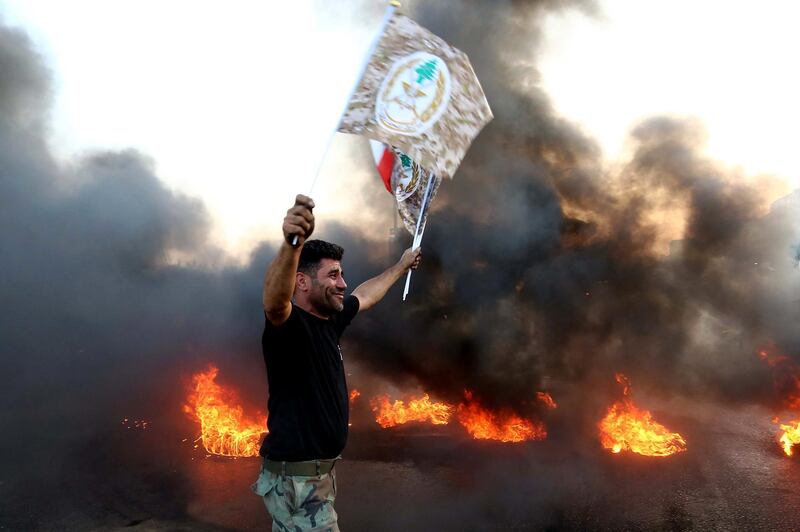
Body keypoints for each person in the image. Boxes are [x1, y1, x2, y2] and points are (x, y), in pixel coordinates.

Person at [252, 194, 421, 531]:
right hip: (300, 486)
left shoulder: (330, 321)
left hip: (313, 479)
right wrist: (292, 245)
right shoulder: (289, 327)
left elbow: (366, 294)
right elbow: (274, 303)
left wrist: (401, 265)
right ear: (302, 282)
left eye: (341, 275)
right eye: (332, 275)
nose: (342, 283)